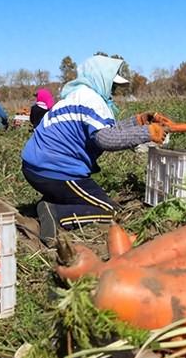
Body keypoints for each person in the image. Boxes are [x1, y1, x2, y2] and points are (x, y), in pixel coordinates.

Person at [21, 55, 171, 244]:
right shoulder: (93, 100)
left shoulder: (75, 97)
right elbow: (105, 139)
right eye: (112, 84)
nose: (114, 90)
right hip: (56, 170)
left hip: (35, 167)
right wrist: (146, 133)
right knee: (108, 210)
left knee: (89, 199)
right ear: (101, 78)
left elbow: (102, 131)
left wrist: (138, 121)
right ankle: (56, 213)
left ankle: (53, 202)